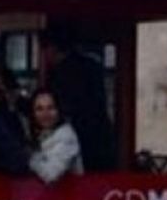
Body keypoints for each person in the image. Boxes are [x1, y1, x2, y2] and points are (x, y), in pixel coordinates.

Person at [41, 24, 115, 173]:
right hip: (102, 141)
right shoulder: (91, 65)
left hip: (77, 143)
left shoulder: (61, 75)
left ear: (52, 49)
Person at [26, 89, 83, 184]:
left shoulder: (67, 137)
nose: (45, 114)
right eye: (39, 109)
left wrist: (28, 156)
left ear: (59, 110)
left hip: (71, 197)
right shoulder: (41, 135)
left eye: (50, 108)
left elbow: (50, 174)